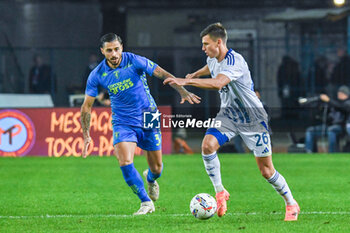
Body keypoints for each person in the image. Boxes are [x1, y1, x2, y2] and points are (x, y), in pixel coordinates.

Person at [164, 23, 300, 221]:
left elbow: (218, 82)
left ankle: (291, 203)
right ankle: (220, 192)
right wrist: (196, 74)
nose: (203, 48)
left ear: (219, 43)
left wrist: (186, 81)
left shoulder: (235, 60)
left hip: (253, 118)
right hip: (228, 115)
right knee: (207, 146)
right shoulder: (212, 58)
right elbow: (210, 67)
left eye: (205, 44)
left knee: (266, 170)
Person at [81, 33, 200, 215]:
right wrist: (86, 135)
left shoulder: (135, 61)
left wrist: (182, 91)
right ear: (102, 51)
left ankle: (151, 179)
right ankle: (145, 202)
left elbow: (162, 74)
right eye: (109, 50)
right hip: (123, 121)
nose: (113, 54)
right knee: (125, 161)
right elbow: (86, 107)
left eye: (116, 49)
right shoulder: (97, 74)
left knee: (157, 168)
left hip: (149, 116)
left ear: (121, 47)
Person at [305, 85, 350, 153]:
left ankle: (332, 152)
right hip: (329, 126)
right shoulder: (334, 102)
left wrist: (328, 100)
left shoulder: (347, 103)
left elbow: (341, 107)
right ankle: (309, 152)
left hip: (341, 127)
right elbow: (327, 115)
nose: (339, 94)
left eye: (341, 93)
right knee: (310, 130)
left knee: (331, 130)